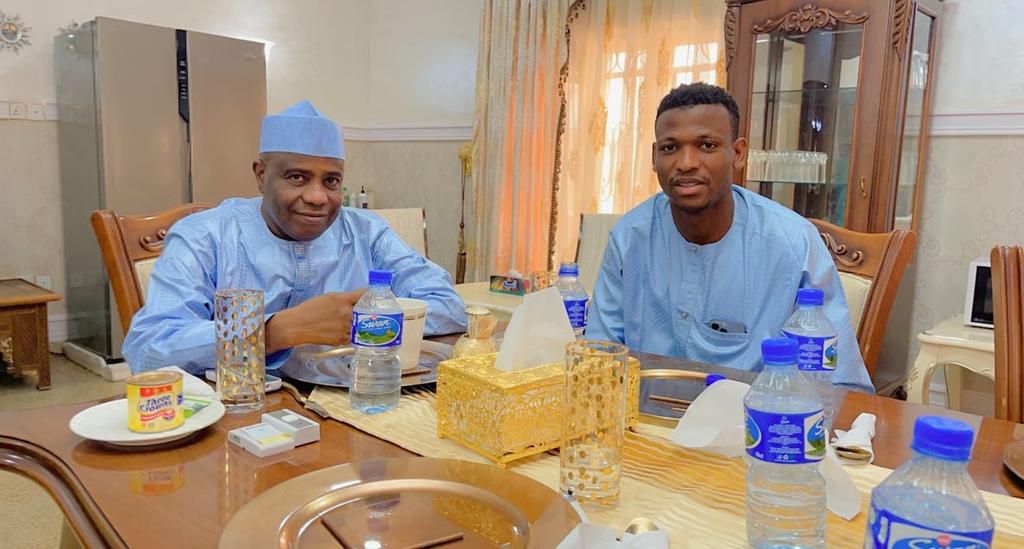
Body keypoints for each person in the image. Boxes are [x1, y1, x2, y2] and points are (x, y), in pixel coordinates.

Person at [123, 100, 467, 373]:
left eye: (331, 181)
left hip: (354, 401)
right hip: (241, 412)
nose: (317, 197)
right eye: (297, 178)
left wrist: (362, 322)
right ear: (261, 176)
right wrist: (274, 331)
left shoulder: (366, 232)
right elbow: (148, 350)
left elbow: (449, 307)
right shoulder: (204, 236)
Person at [586, 83, 872, 392]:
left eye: (707, 145)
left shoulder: (794, 244)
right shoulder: (629, 238)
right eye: (670, 148)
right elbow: (597, 360)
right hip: (645, 417)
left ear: (737, 153)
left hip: (756, 419)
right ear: (655, 157)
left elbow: (841, 386)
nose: (686, 163)